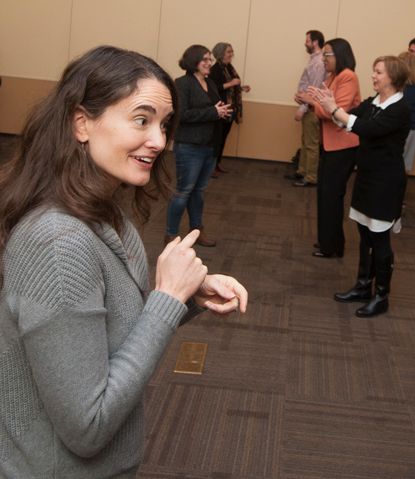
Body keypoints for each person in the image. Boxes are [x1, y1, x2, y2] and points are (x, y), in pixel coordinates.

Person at [0, 45, 248, 478]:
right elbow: (88, 427)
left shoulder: (104, 212)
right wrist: (167, 297)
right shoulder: (58, 243)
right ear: (82, 123)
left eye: (163, 124)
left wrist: (185, 296)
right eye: (141, 119)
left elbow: (105, 331)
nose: (159, 140)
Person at [310, 56, 412, 317]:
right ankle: (363, 287)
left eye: (378, 72)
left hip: (385, 183)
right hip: (367, 178)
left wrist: (335, 110)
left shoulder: (400, 108)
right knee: (365, 234)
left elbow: (367, 128)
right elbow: (350, 118)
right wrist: (331, 107)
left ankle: (382, 296)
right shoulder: (374, 102)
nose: (373, 76)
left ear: (393, 77)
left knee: (380, 239)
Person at [296, 38, 361, 258]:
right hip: (332, 145)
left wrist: (313, 103)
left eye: (327, 55)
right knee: (325, 194)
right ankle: (327, 241)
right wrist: (313, 100)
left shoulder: (348, 77)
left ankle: (332, 247)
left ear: (340, 56)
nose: (323, 59)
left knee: (332, 195)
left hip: (343, 146)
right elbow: (327, 106)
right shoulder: (334, 76)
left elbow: (336, 113)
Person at [165, 45, 232, 247]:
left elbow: (214, 108)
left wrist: (222, 112)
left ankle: (196, 231)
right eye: (204, 59)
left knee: (198, 191)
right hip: (190, 146)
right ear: (193, 60)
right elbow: (182, 114)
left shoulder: (210, 82)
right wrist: (214, 112)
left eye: (210, 59)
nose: (209, 62)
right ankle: (170, 236)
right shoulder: (182, 83)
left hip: (210, 145)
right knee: (184, 190)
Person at [286, 30, 327, 187]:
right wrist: (300, 97)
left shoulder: (318, 63)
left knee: (311, 144)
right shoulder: (314, 60)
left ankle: (311, 177)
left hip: (312, 109)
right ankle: (302, 172)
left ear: (315, 42)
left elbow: (314, 90)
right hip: (308, 106)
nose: (305, 43)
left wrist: (302, 109)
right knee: (306, 141)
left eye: (307, 41)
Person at [209, 42, 251, 177]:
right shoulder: (215, 69)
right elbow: (213, 87)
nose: (232, 54)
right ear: (221, 54)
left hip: (230, 109)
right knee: (216, 138)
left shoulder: (228, 68)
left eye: (232, 51)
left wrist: (240, 87)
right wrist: (231, 83)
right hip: (220, 109)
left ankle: (217, 162)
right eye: (229, 52)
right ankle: (210, 166)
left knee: (223, 138)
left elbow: (231, 85)